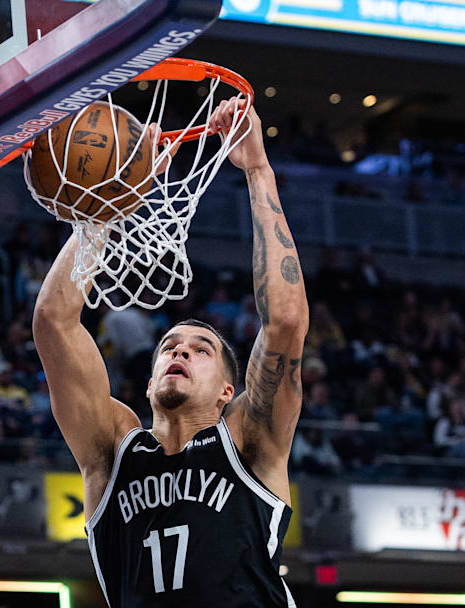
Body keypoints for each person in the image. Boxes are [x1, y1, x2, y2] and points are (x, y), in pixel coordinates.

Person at [32, 99, 307, 608]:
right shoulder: (113, 449)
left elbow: (285, 323)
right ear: (150, 378)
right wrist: (106, 209)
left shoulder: (248, 440)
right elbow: (53, 322)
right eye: (169, 346)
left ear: (228, 391)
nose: (180, 349)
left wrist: (258, 171)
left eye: (201, 349)